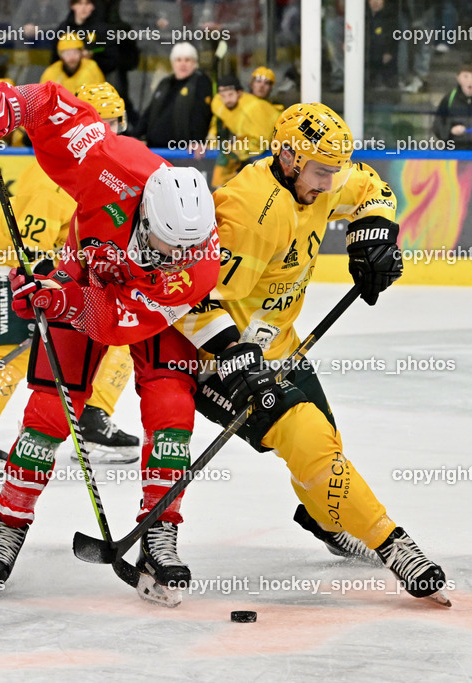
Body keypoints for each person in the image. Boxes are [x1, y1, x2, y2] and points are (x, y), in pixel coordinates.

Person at [174, 102, 450, 606]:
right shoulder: (246, 211)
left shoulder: (319, 175)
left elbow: (369, 186)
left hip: (281, 343)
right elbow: (184, 293)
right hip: (217, 361)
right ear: (288, 157)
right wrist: (230, 352)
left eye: (331, 171)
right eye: (321, 172)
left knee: (326, 448)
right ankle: (396, 547)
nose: (328, 183)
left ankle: (326, 520)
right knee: (310, 439)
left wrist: (373, 234)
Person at [0, 78, 220, 605]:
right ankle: (11, 518)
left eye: (184, 251)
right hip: (84, 276)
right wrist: (11, 104)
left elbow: (115, 323)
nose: (174, 258)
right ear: (146, 212)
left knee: (171, 403)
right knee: (52, 410)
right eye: (166, 245)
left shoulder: (194, 268)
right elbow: (54, 106)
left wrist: (61, 303)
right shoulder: (111, 162)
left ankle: (161, 529)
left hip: (135, 308)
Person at [0, 82, 142, 473]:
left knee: (119, 336)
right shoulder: (54, 177)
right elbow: (31, 248)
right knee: (12, 354)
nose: (113, 132)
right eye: (106, 123)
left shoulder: (98, 170)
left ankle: (92, 418)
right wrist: (43, 291)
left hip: (54, 278)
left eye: (116, 122)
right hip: (12, 269)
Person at [134, 42, 212, 150]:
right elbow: (150, 112)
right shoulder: (165, 83)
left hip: (182, 152)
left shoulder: (200, 82)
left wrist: (197, 141)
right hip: (155, 149)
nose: (182, 64)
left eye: (187, 60)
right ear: (173, 63)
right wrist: (135, 136)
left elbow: (201, 113)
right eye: (179, 60)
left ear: (194, 63)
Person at [207, 73, 280, 187]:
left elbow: (260, 141)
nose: (227, 99)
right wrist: (210, 145)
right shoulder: (220, 105)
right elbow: (217, 127)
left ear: (239, 93)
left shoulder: (255, 109)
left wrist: (235, 150)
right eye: (223, 96)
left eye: (230, 94)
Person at [38, 34, 105, 92]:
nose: (72, 57)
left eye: (75, 52)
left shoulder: (92, 68)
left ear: (81, 53)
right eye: (67, 53)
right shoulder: (51, 72)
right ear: (60, 55)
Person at [366, 0, 398, 90]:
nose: (375, 2)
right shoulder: (363, 17)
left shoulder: (389, 17)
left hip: (384, 60)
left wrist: (389, 51)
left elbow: (393, 37)